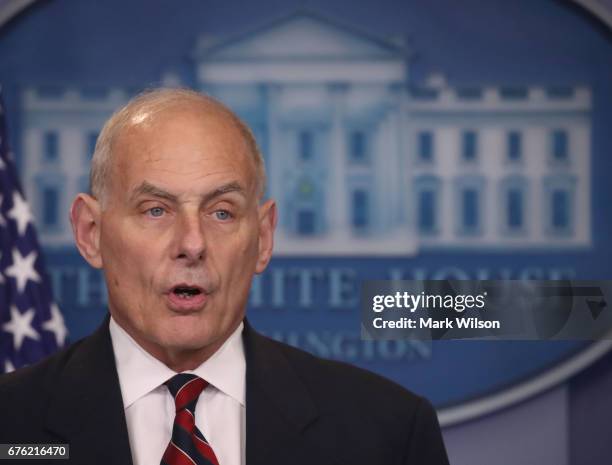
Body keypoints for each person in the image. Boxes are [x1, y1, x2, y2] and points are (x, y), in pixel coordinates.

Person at [0, 88, 449, 465]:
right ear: (91, 233)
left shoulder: (388, 433)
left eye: (221, 212)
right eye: (156, 210)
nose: (192, 243)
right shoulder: (11, 421)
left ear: (264, 238)